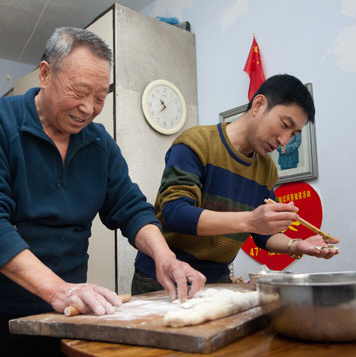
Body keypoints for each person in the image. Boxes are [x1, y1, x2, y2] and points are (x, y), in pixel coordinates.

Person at [0, 27, 205, 357]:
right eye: (79, 92)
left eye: (101, 97)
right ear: (46, 74)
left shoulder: (100, 144)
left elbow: (131, 207)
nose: (89, 108)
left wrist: (166, 258)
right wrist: (58, 289)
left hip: (59, 316)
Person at [132, 74, 340, 294]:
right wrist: (250, 220)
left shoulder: (267, 169)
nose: (284, 141)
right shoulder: (196, 143)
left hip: (217, 277)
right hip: (166, 274)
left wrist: (296, 245)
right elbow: (176, 213)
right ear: (258, 105)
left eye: (294, 134)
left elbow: (263, 234)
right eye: (284, 125)